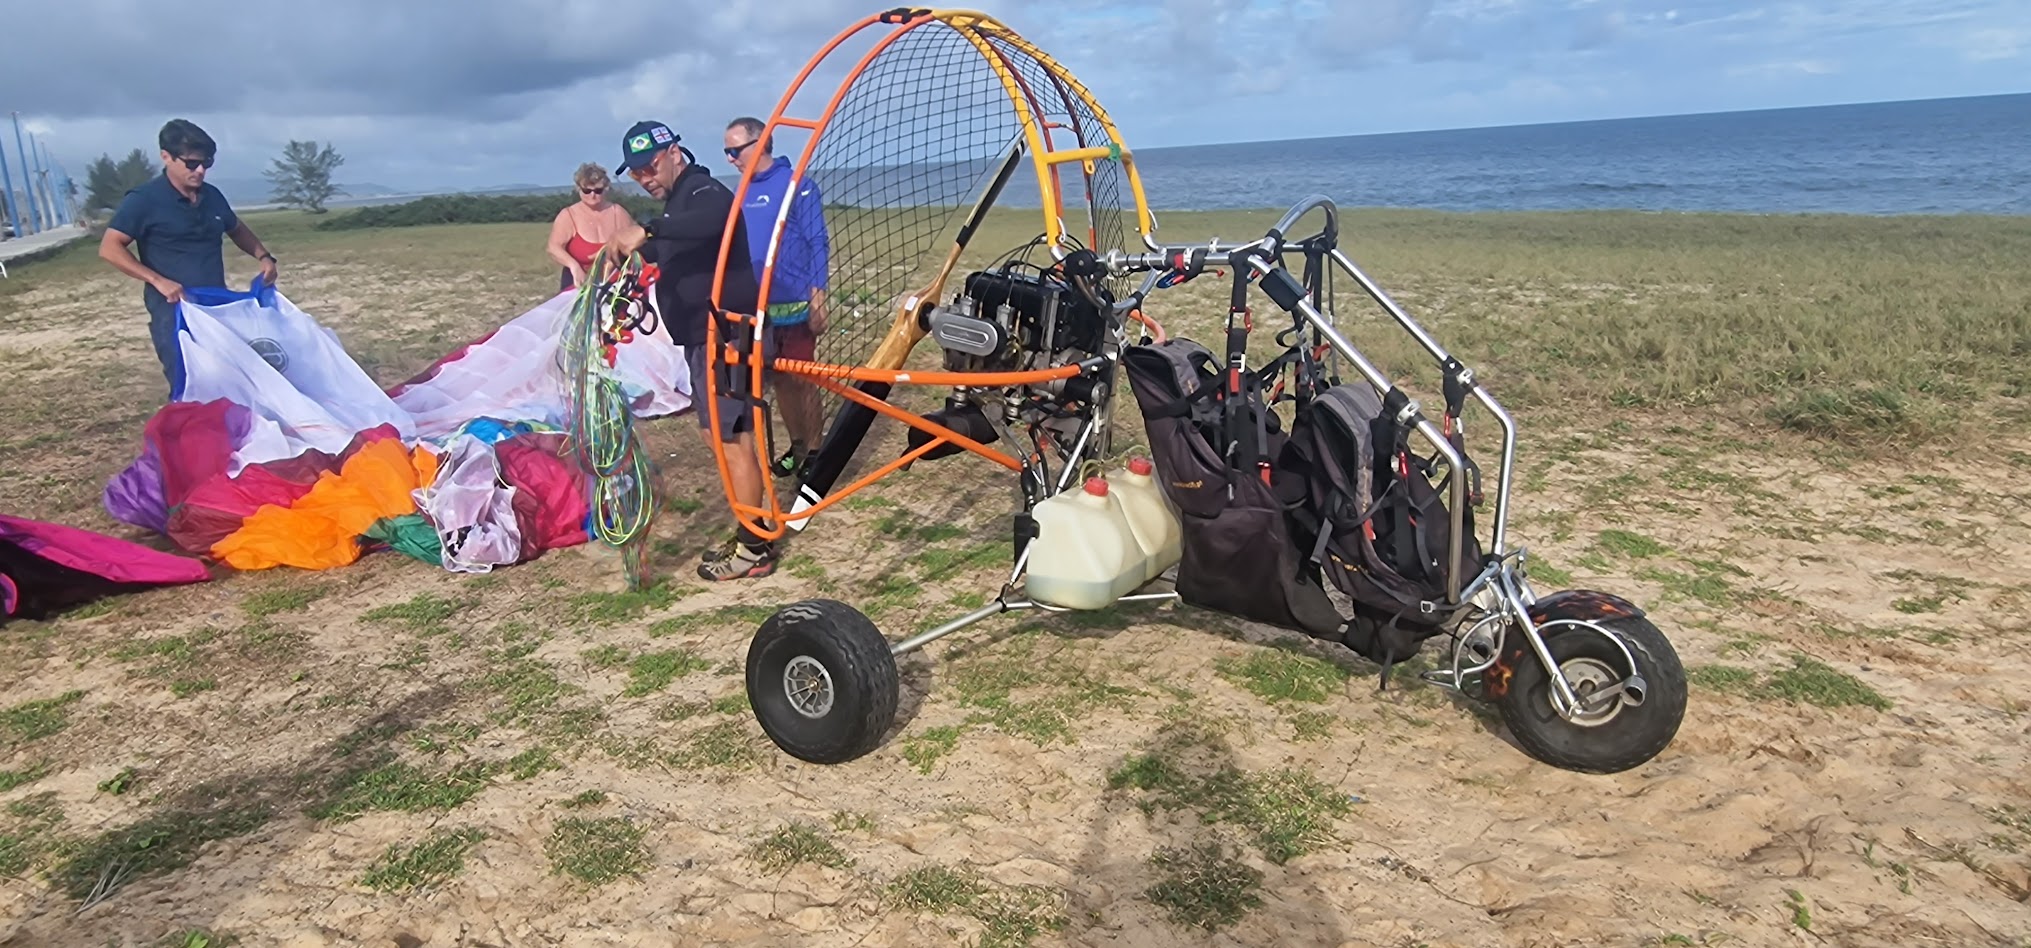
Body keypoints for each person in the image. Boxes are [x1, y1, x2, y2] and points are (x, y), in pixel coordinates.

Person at [602, 121, 776, 582]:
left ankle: (755, 546)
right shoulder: (679, 205)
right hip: (702, 341)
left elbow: (717, 217)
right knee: (716, 436)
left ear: (674, 152)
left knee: (731, 439)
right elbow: (671, 245)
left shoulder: (702, 190)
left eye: (650, 166)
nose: (645, 177)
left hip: (726, 336)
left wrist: (648, 229)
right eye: (636, 173)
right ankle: (749, 526)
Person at [98, 119, 279, 395]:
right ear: (166, 157)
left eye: (207, 163)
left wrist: (264, 256)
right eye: (192, 163)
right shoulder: (144, 200)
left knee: (227, 380)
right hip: (174, 311)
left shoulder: (212, 196)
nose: (201, 170)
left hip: (215, 305)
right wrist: (158, 281)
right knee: (189, 384)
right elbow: (110, 247)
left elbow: (236, 228)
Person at [724, 117, 831, 481]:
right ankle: (798, 444)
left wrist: (818, 297)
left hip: (798, 301)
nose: (731, 159)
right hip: (760, 308)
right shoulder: (740, 191)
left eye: (734, 150)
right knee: (781, 380)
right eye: (727, 152)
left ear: (760, 143)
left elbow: (818, 242)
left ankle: (817, 449)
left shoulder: (796, 184)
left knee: (804, 378)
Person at [546, 162, 634, 292]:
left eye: (598, 191)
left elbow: (636, 243)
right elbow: (553, 248)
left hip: (615, 284)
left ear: (606, 188)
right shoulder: (568, 215)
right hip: (578, 282)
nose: (592, 195)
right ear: (578, 188)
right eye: (587, 191)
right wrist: (573, 265)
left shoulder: (618, 213)